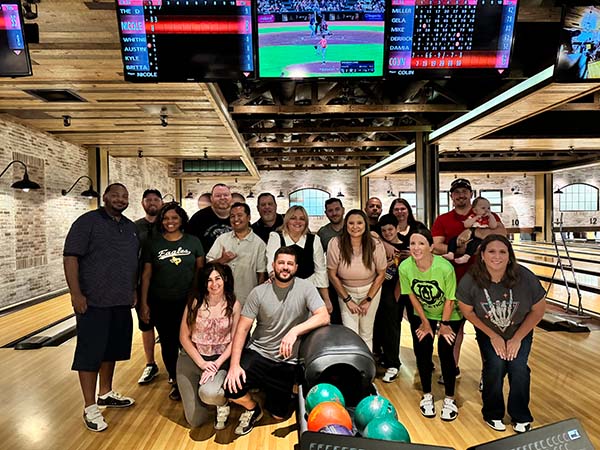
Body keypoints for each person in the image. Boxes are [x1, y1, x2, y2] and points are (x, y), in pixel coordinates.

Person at [224, 246, 330, 435]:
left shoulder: (306, 287)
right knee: (231, 389)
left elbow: (324, 316)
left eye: (290, 263)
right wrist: (234, 365)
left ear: (296, 267)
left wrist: (294, 331)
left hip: (286, 360)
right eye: (281, 263)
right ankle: (253, 407)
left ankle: (277, 390)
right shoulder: (258, 292)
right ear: (273, 265)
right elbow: (242, 329)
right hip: (258, 353)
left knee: (279, 416)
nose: (285, 267)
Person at [63, 183, 139, 432]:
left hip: (120, 300)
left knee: (111, 350)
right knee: (90, 353)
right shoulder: (87, 222)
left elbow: (132, 263)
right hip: (93, 300)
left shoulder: (129, 227)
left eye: (124, 196)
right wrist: (76, 293)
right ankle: (89, 406)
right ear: (105, 197)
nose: (120, 199)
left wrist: (133, 290)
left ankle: (105, 393)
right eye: (115, 195)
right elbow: (70, 256)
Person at [457, 235, 546, 434]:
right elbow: (468, 311)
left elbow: (538, 311)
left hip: (519, 331)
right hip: (489, 332)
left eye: (502, 252)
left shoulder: (525, 277)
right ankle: (492, 413)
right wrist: (493, 336)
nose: (497, 256)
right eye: (491, 251)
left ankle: (521, 415)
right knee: (495, 365)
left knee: (518, 367)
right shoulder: (470, 280)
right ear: (482, 255)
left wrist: (517, 338)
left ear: (509, 255)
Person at [432, 178, 506, 383]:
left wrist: (474, 232)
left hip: (484, 282)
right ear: (451, 196)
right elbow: (436, 246)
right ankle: (452, 368)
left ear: (471, 194)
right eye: (457, 193)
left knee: (485, 330)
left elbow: (502, 235)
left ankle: (488, 373)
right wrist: (459, 249)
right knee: (456, 330)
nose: (461, 195)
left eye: (464, 191)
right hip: (454, 282)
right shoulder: (443, 219)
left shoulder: (487, 214)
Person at [140, 202, 205, 401]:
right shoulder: (154, 243)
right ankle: (175, 381)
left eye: (174, 218)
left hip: (188, 302)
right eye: (166, 218)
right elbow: (146, 275)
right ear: (161, 221)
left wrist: (198, 299)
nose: (170, 222)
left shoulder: (193, 242)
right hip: (161, 302)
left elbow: (200, 271)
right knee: (168, 343)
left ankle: (195, 378)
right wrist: (144, 303)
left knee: (191, 342)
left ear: (181, 220)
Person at [399, 228, 463, 421]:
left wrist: (443, 324)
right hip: (423, 313)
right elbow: (411, 295)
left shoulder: (444, 268)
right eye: (412, 244)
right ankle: (427, 395)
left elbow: (450, 299)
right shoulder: (405, 267)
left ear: (431, 247)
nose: (416, 248)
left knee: (445, 350)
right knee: (422, 349)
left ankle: (449, 398)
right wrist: (426, 323)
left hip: (450, 314)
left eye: (421, 243)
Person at [177, 263, 241, 429]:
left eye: (217, 278)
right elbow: (184, 337)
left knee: (210, 394)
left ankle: (222, 403)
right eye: (209, 280)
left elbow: (235, 340)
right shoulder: (195, 302)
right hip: (193, 357)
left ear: (224, 279)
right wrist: (202, 364)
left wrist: (215, 365)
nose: (214, 284)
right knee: (195, 421)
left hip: (219, 359)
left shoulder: (233, 304)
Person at [327, 209, 386, 351]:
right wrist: (348, 300)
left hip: (371, 290)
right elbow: (332, 274)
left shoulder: (375, 244)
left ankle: (366, 370)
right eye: (351, 223)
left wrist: (369, 299)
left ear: (365, 225)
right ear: (345, 225)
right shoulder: (336, 243)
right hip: (345, 291)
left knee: (366, 332)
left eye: (359, 223)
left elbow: (381, 274)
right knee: (350, 333)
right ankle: (352, 370)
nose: (355, 227)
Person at [372, 213, 414, 382]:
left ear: (397, 228)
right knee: (383, 326)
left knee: (395, 327)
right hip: (383, 290)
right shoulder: (378, 244)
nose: (388, 233)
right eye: (384, 230)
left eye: (390, 229)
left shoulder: (407, 244)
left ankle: (394, 363)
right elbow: (370, 233)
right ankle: (384, 358)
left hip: (404, 290)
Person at [266, 205, 332, 313]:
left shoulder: (314, 240)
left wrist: (326, 299)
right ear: (287, 220)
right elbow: (272, 266)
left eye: (302, 219)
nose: (298, 221)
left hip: (309, 291)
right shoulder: (276, 237)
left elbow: (321, 271)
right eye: (293, 218)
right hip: (281, 292)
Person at [207, 202, 267, 306]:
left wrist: (259, 299)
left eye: (240, 215)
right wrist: (222, 260)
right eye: (232, 216)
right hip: (221, 298)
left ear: (248, 217)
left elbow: (261, 274)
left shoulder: (259, 244)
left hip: (247, 300)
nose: (236, 219)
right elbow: (208, 264)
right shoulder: (222, 239)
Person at [134, 188, 163, 385]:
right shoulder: (134, 227)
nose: (152, 202)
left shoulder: (169, 225)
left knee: (172, 326)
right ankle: (150, 364)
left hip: (166, 284)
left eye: (156, 199)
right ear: (143, 203)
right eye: (149, 200)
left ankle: (175, 365)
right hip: (141, 284)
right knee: (146, 324)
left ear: (161, 203)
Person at [444, 196, 499, 264]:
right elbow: (466, 225)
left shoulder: (488, 218)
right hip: (469, 236)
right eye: (483, 208)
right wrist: (475, 218)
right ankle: (451, 253)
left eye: (488, 208)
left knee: (473, 244)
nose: (486, 210)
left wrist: (491, 216)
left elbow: (493, 226)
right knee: (453, 239)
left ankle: (466, 257)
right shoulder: (472, 217)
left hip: (480, 238)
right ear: (475, 210)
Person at [317, 197, 345, 324]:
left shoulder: (352, 227)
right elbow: (318, 257)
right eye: (330, 210)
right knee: (335, 317)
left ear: (343, 210)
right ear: (326, 213)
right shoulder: (323, 233)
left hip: (353, 280)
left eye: (337, 209)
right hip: (332, 281)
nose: (334, 213)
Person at [188, 183, 232, 252]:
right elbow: (190, 245)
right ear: (211, 198)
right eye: (218, 195)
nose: (222, 198)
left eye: (226, 195)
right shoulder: (198, 218)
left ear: (231, 197)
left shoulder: (238, 216)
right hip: (206, 262)